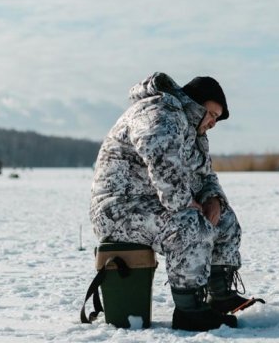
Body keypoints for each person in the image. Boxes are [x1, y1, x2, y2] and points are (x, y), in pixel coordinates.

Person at [89, 72, 258, 331]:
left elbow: (205, 175)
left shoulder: (194, 133)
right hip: (117, 208)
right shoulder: (159, 110)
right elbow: (160, 157)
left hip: (151, 204)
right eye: (212, 114)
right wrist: (182, 202)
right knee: (188, 224)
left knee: (224, 221)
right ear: (197, 105)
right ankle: (189, 310)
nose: (213, 122)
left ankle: (220, 296)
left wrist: (213, 199)